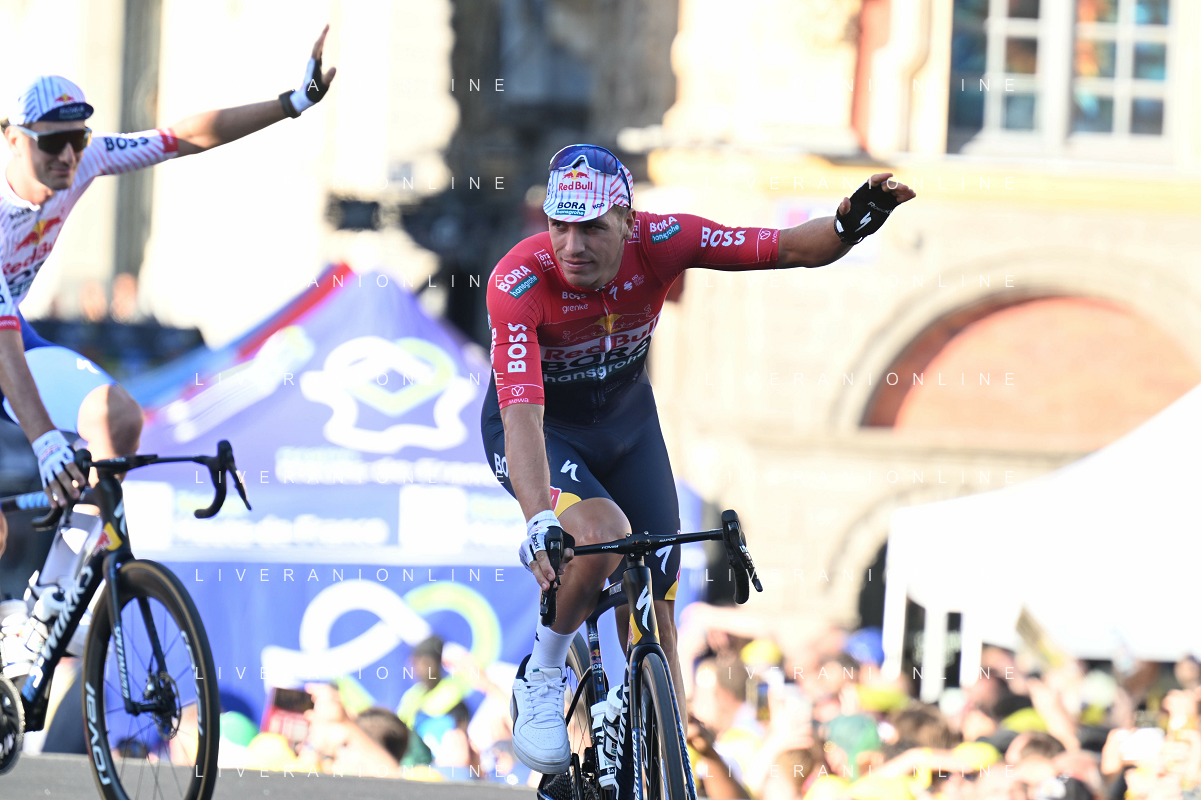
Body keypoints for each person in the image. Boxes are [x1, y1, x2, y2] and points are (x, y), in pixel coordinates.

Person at [482, 142, 915, 774]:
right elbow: (522, 413)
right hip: (541, 429)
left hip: (627, 426)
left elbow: (784, 248)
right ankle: (543, 673)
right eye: (559, 226)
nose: (572, 246)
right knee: (600, 533)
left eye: (592, 228)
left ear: (627, 221)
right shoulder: (518, 281)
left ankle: (665, 756)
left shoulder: (665, 241)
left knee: (658, 594)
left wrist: (850, 224)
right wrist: (538, 520)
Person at [0, 26, 336, 685]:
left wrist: (291, 102)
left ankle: (46, 606)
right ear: (12, 138)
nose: (68, 157)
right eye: (51, 144)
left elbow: (181, 136)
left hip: (12, 338)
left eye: (77, 141)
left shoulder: (84, 161)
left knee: (117, 420)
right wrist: (43, 441)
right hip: (4, 338)